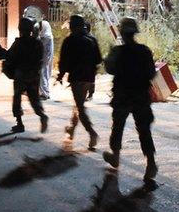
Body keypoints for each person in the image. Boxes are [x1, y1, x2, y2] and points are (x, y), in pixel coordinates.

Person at [102, 17, 158, 184]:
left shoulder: (118, 52)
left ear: (122, 33)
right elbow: (152, 73)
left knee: (117, 126)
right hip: (140, 96)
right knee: (144, 130)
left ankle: (115, 156)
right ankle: (151, 164)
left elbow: (110, 69)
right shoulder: (145, 51)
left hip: (122, 96)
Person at [57, 15, 102, 151]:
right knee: (78, 105)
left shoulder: (69, 40)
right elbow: (98, 59)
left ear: (72, 26)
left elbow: (64, 62)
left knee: (80, 107)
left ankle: (92, 133)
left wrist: (60, 75)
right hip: (89, 78)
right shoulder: (92, 39)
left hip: (77, 78)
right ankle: (70, 130)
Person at [3, 17, 48, 133]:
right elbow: (41, 59)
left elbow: (10, 57)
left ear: (21, 29)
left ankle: (20, 123)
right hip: (34, 75)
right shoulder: (38, 43)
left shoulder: (18, 43)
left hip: (21, 75)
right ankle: (41, 114)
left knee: (17, 98)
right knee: (34, 98)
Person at [38, 20, 54, 100]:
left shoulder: (45, 38)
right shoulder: (48, 36)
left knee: (43, 73)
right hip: (46, 59)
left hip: (44, 59)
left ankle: (45, 93)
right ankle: (44, 92)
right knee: (45, 73)